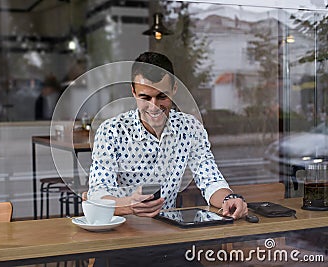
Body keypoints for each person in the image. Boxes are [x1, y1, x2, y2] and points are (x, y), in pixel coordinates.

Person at [87, 51, 247, 265]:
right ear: (133, 92)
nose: (154, 106)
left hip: (171, 240)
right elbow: (97, 194)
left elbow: (210, 179)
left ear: (174, 89)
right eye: (145, 97)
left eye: (162, 96)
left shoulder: (190, 128)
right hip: (121, 241)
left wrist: (229, 200)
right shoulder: (111, 131)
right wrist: (128, 205)